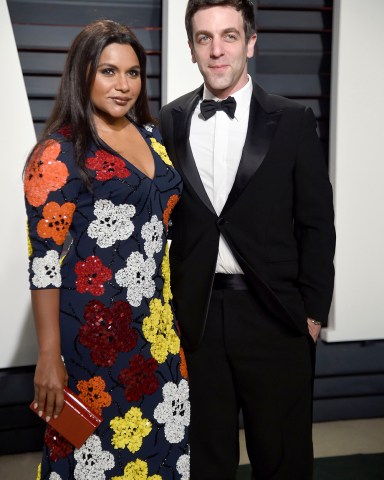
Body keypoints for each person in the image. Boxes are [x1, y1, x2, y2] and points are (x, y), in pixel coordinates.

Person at [159, 1, 335, 479]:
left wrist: (313, 315)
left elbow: (318, 223)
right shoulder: (168, 122)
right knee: (204, 462)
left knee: (283, 460)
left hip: (275, 319)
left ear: (251, 43)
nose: (217, 51)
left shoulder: (294, 120)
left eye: (229, 36)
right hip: (196, 321)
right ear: (192, 48)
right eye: (204, 38)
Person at [24, 19, 189, 480]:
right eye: (109, 71)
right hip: (93, 345)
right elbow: (43, 265)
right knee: (91, 462)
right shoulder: (58, 154)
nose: (124, 85)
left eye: (133, 73)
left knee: (161, 452)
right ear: (83, 73)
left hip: (157, 336)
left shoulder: (153, 139)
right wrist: (48, 355)